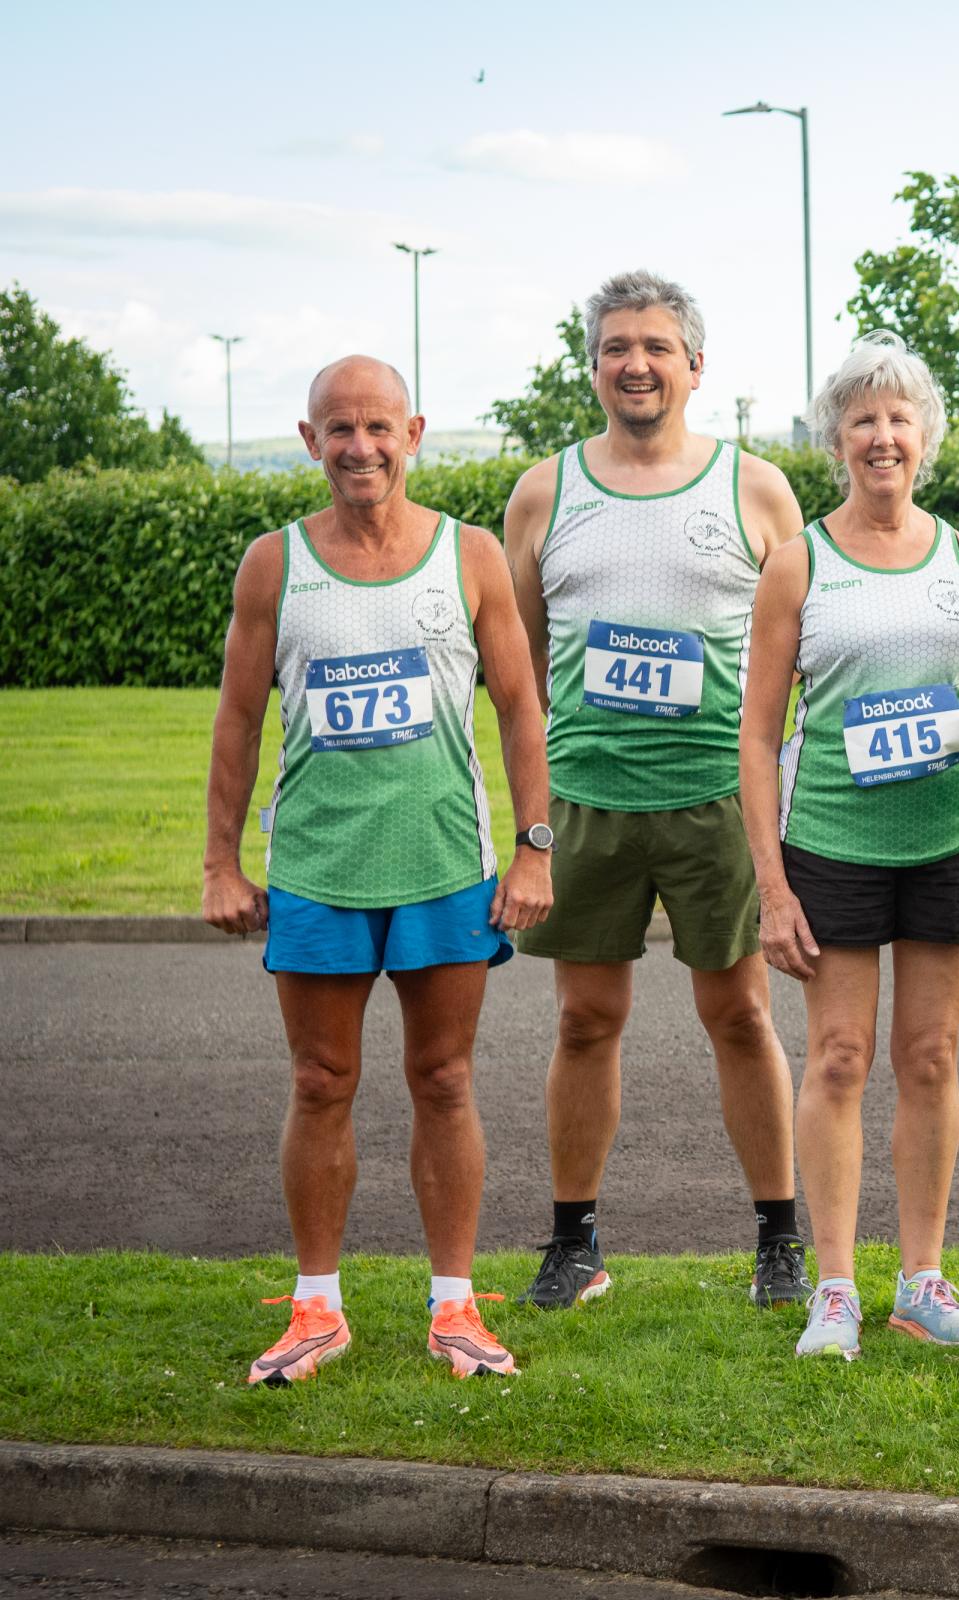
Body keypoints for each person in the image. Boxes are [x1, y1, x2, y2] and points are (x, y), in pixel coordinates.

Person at [205, 355, 552, 1385]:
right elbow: (237, 717)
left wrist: (534, 849)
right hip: (317, 865)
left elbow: (522, 707)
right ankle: (317, 1308)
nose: (360, 446)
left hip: (446, 862)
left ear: (415, 432)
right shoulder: (274, 564)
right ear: (310, 442)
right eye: (338, 429)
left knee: (444, 1078)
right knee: (321, 1081)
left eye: (378, 427)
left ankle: (456, 1310)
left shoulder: (471, 554)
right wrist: (221, 861)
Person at [503, 271, 809, 1315]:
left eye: (657, 346)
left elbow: (794, 661)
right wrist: (535, 819)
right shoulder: (544, 492)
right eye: (616, 347)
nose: (636, 363)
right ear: (593, 366)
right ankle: (573, 1240)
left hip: (717, 800)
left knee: (740, 1011)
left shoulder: (756, 488)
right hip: (589, 799)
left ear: (694, 365)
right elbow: (524, 671)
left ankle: (779, 1239)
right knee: (587, 1017)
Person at [739, 332, 959, 1360]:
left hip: (953, 843)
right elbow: (759, 735)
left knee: (931, 1054)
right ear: (836, 439)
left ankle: (922, 1280)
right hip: (834, 845)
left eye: (899, 418)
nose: (882, 435)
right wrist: (772, 885)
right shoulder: (798, 563)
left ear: (924, 436)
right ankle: (838, 1288)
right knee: (842, 1057)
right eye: (863, 419)